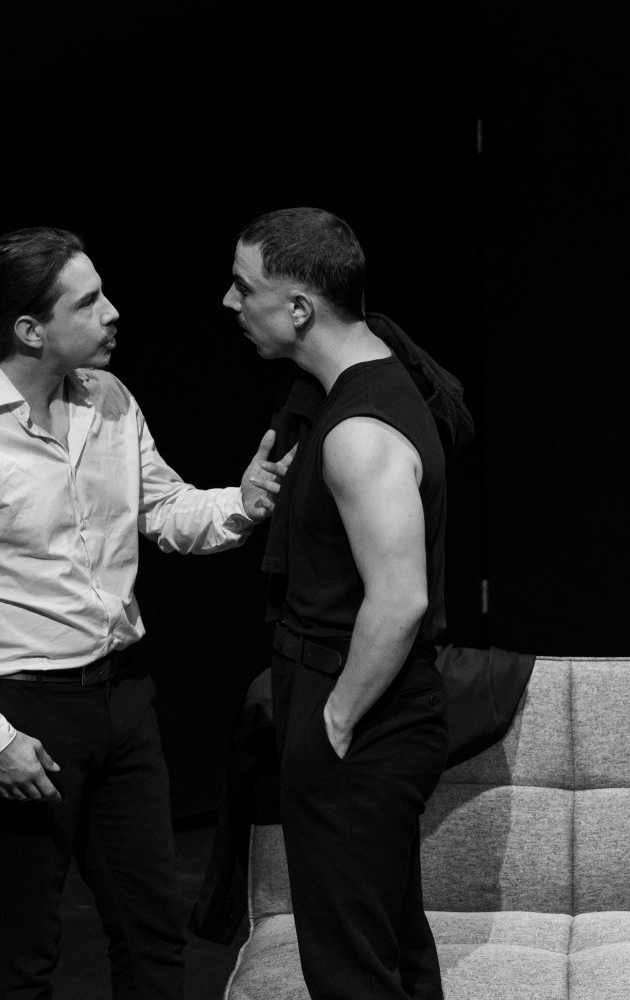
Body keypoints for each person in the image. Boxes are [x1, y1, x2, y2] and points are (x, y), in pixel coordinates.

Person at [0, 226, 292, 1000]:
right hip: (24, 710)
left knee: (152, 932)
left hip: (121, 699)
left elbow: (163, 511)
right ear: (31, 330)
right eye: (89, 301)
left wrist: (245, 501)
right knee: (28, 947)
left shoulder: (108, 399)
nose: (112, 312)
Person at [222, 207, 449, 1000]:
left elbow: (401, 598)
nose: (229, 301)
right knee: (390, 956)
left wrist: (336, 721)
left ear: (298, 309)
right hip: (354, 705)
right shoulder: (358, 386)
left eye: (243, 286)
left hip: (360, 713)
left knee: (352, 973)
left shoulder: (359, 431)